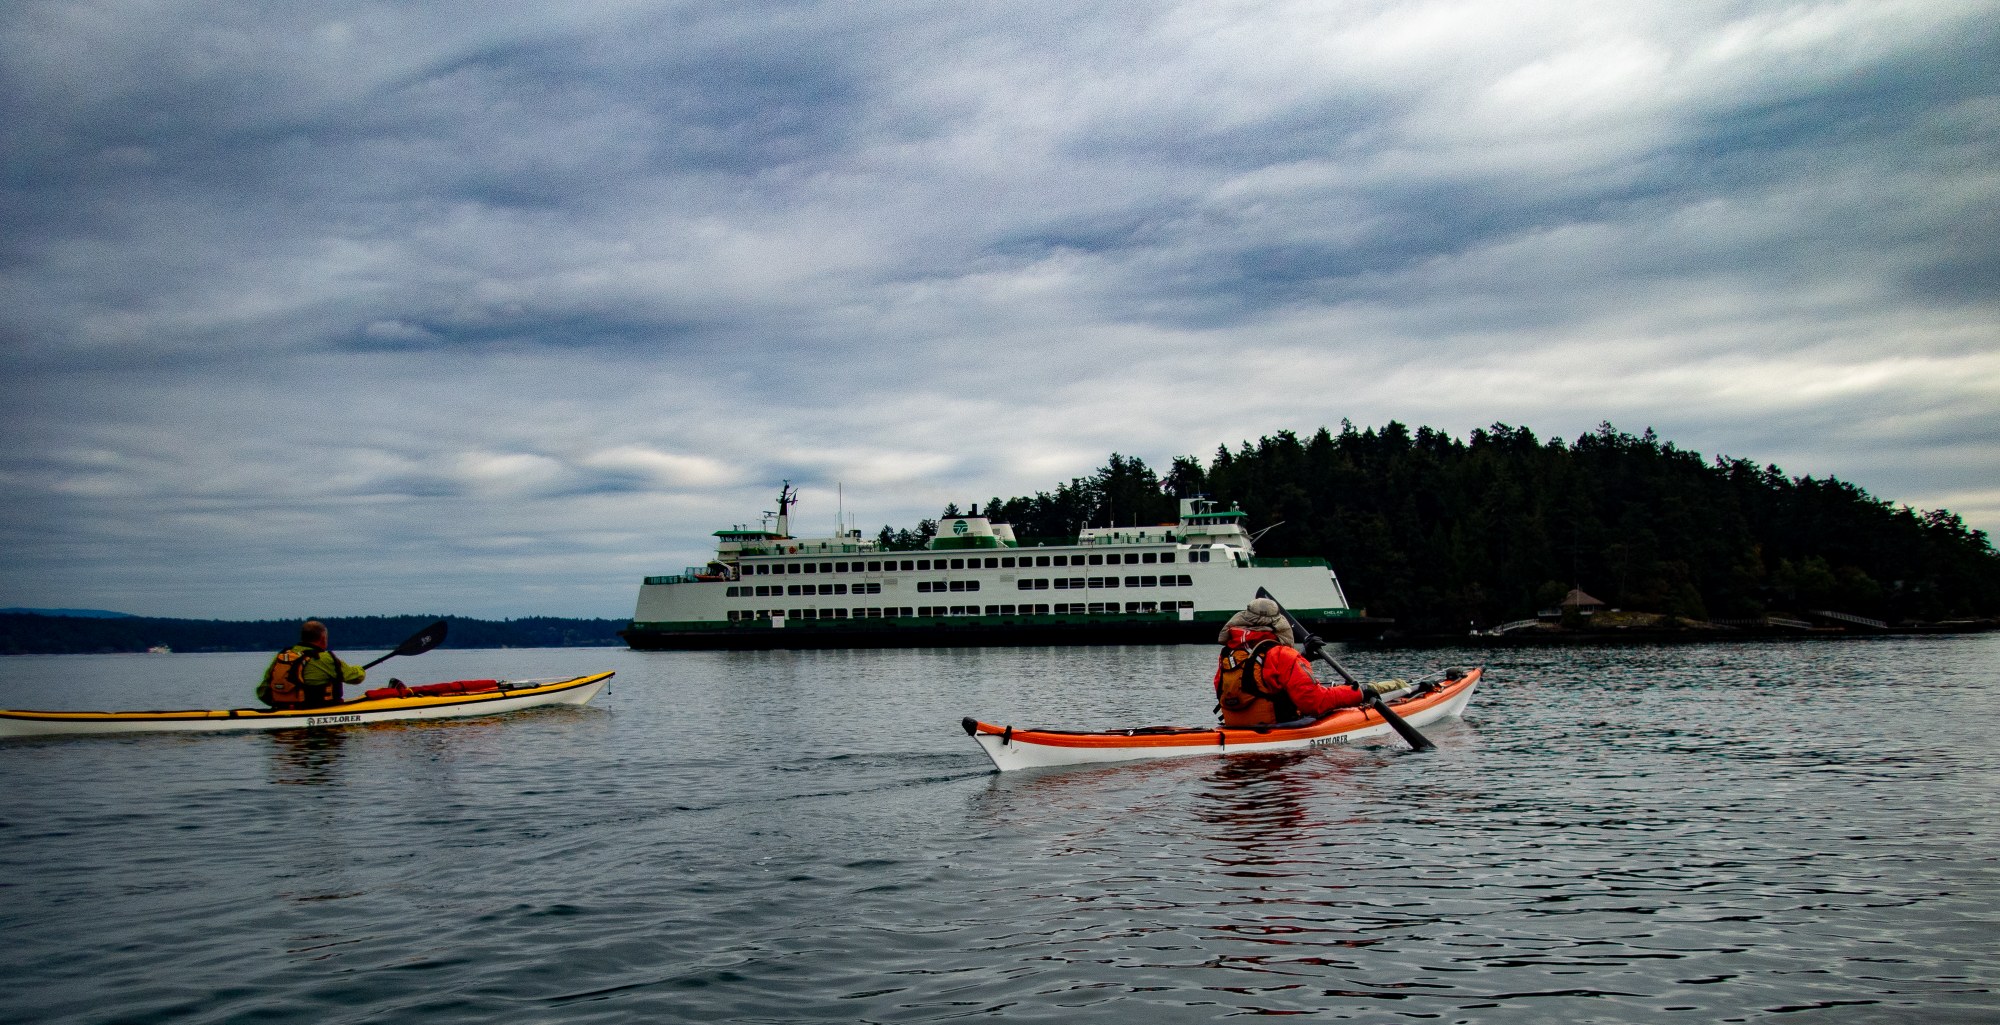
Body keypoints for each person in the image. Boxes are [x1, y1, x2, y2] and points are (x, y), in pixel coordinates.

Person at [1213, 597, 1366, 726]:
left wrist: (1303, 657)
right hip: (1279, 733)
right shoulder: (1282, 655)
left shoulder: (1228, 654)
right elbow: (1314, 702)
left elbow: (1258, 678)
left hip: (1237, 730)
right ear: (1278, 624)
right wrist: (1358, 693)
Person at [258, 620, 366, 709]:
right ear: (323, 638)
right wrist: (359, 669)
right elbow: (356, 677)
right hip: (318, 711)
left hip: (281, 708)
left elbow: (262, 692)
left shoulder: (283, 656)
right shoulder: (324, 658)